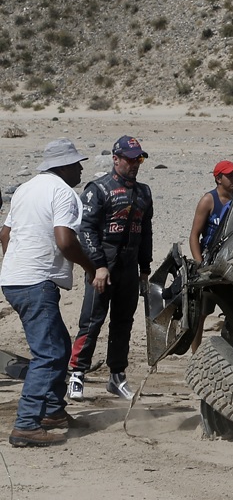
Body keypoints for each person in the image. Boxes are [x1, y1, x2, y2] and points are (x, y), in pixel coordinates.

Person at [0, 139, 97, 447]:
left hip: (15, 278)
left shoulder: (25, 189)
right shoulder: (64, 193)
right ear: (63, 166)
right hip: (36, 280)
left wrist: (18, 262)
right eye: (77, 163)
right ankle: (26, 424)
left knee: (57, 346)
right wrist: (90, 266)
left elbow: (5, 234)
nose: (81, 168)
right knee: (50, 353)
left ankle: (53, 412)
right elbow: (65, 240)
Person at [68, 136, 153, 401]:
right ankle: (76, 375)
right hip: (103, 263)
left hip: (129, 266)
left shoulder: (144, 192)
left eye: (138, 158)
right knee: (91, 321)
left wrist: (144, 270)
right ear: (116, 159)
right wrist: (98, 266)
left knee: (123, 322)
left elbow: (146, 233)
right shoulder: (98, 188)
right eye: (130, 158)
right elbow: (87, 230)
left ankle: (117, 377)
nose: (135, 164)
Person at [188, 160, 233, 352]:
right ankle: (196, 355)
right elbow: (194, 236)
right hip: (209, 263)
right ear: (218, 178)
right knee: (200, 314)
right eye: (230, 175)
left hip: (232, 263)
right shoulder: (208, 200)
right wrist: (199, 265)